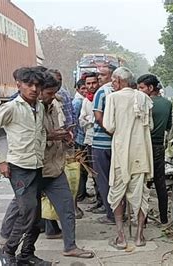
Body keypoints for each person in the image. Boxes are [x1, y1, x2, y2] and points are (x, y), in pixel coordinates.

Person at [0, 67, 51, 265]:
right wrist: (0, 161)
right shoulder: (11, 107)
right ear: (19, 85)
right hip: (19, 168)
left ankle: (27, 253)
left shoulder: (40, 106)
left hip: (36, 165)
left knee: (36, 214)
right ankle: (7, 252)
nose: (34, 89)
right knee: (27, 211)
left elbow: (42, 132)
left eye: (37, 85)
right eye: (29, 84)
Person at [38, 73, 95, 259]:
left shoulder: (54, 106)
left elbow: (62, 127)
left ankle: (70, 246)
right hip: (32, 168)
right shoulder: (24, 109)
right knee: (24, 211)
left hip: (55, 166)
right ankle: (8, 243)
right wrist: (1, 161)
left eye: (55, 91)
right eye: (50, 92)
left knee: (67, 206)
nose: (53, 96)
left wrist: (64, 136)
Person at [103, 67, 153, 248]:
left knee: (117, 195)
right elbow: (151, 125)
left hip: (121, 154)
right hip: (141, 155)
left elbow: (109, 126)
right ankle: (139, 237)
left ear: (117, 81)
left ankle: (121, 238)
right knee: (140, 195)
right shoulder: (144, 98)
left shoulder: (112, 98)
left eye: (113, 81)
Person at [138, 74, 172, 225]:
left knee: (144, 183)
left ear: (150, 88)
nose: (139, 91)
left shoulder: (144, 103)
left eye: (141, 88)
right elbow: (169, 126)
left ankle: (143, 220)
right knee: (160, 183)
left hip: (144, 146)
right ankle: (164, 219)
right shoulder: (167, 104)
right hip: (159, 146)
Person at [92, 64, 117, 224]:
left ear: (112, 76)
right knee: (116, 179)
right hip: (117, 143)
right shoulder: (120, 92)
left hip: (101, 143)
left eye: (102, 75)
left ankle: (111, 214)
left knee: (103, 179)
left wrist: (111, 132)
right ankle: (118, 211)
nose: (99, 77)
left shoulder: (102, 92)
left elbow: (98, 117)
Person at [79, 72, 102, 210]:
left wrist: (91, 120)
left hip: (100, 141)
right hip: (89, 140)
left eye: (93, 83)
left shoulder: (103, 97)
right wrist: (90, 120)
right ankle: (99, 200)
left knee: (101, 174)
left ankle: (104, 203)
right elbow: (82, 120)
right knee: (93, 173)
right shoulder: (86, 100)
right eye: (88, 83)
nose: (91, 86)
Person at [72, 79, 89, 205]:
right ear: (77, 89)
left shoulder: (84, 101)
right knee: (81, 167)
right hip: (80, 139)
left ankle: (82, 192)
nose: (85, 90)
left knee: (84, 168)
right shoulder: (78, 102)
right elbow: (76, 122)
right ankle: (80, 194)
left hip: (82, 139)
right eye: (82, 88)